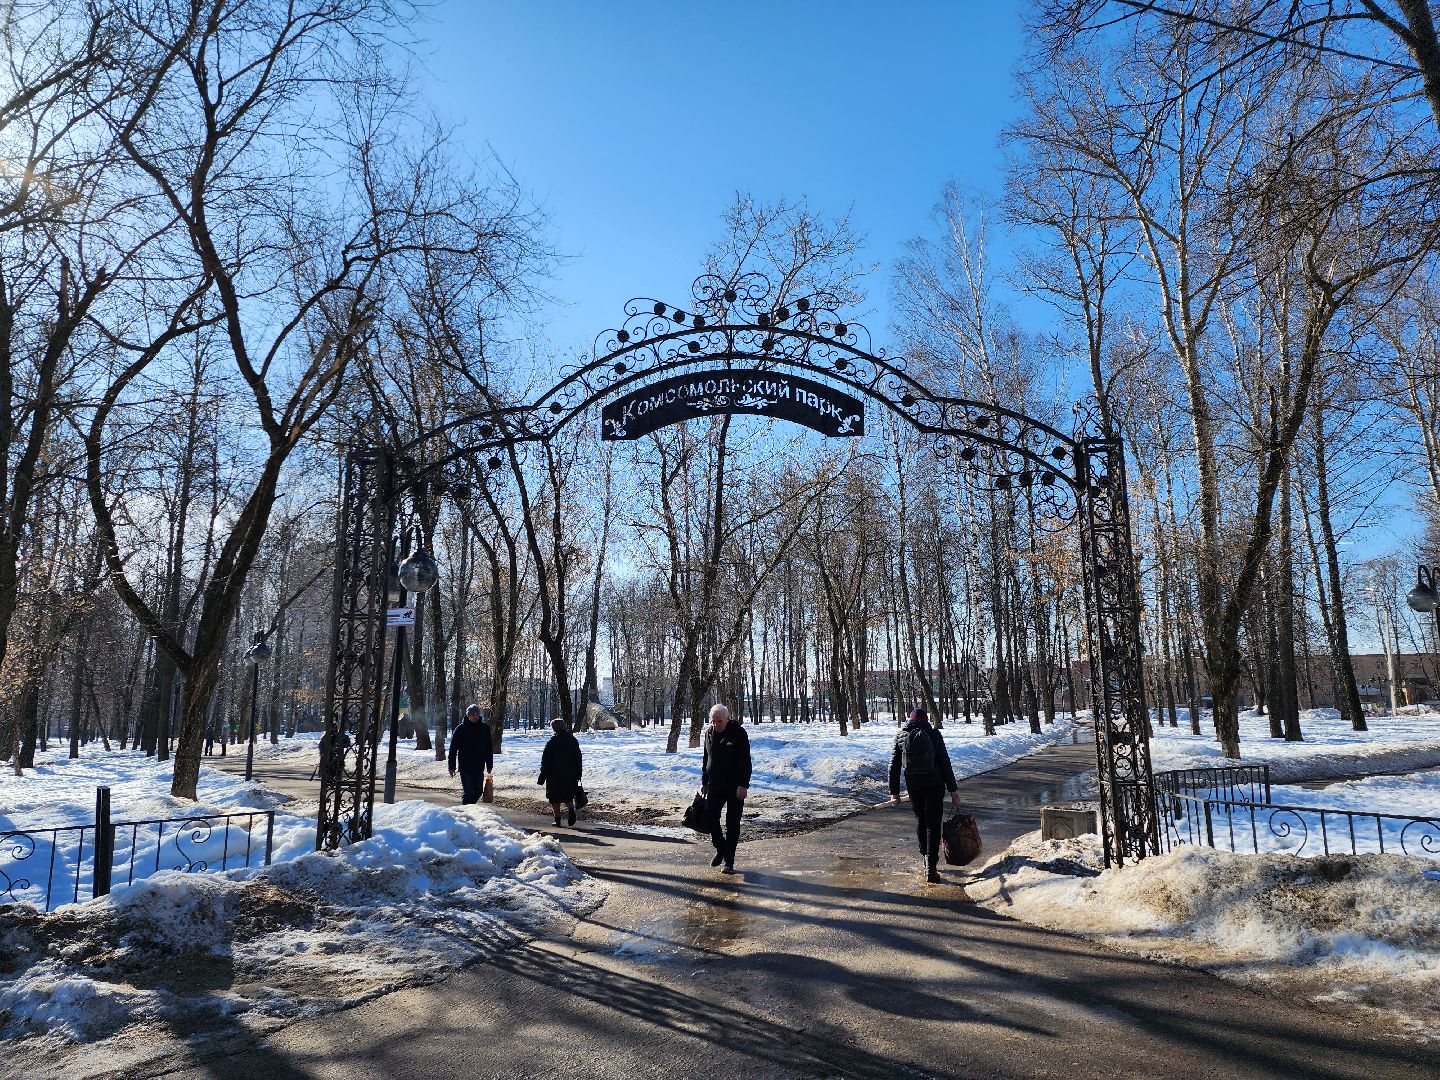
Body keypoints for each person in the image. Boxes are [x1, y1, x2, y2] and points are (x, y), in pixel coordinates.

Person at [889, 707, 960, 883]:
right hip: (935, 785)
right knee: (933, 825)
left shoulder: (901, 736)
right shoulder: (934, 734)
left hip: (914, 786)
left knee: (922, 821)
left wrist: (894, 793)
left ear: (909, 719)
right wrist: (953, 790)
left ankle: (925, 859)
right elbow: (945, 763)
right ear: (926, 719)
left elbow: (894, 766)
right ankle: (932, 867)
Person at [701, 703, 751, 874]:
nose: (716, 724)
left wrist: (743, 785)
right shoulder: (708, 732)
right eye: (713, 721)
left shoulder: (738, 733)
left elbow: (745, 761)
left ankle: (729, 861)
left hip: (734, 786)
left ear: (727, 719)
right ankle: (720, 847)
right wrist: (704, 782)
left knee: (732, 824)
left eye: (719, 721)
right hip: (715, 785)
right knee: (710, 817)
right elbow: (706, 758)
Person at [538, 716, 583, 826]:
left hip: (554, 775)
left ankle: (557, 820)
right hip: (570, 774)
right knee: (567, 795)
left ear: (554, 728)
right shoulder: (573, 740)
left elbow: (546, 760)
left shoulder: (552, 742)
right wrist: (578, 773)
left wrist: (542, 776)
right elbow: (578, 757)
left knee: (554, 798)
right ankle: (571, 809)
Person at [448, 704, 494, 805]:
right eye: (473, 714)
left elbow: (488, 748)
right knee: (468, 792)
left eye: (477, 714)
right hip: (465, 767)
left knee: (478, 791)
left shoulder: (484, 728)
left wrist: (489, 764)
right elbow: (453, 749)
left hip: (479, 766)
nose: (475, 716)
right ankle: (465, 811)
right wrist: (452, 767)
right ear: (468, 715)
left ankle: (468, 809)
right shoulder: (461, 729)